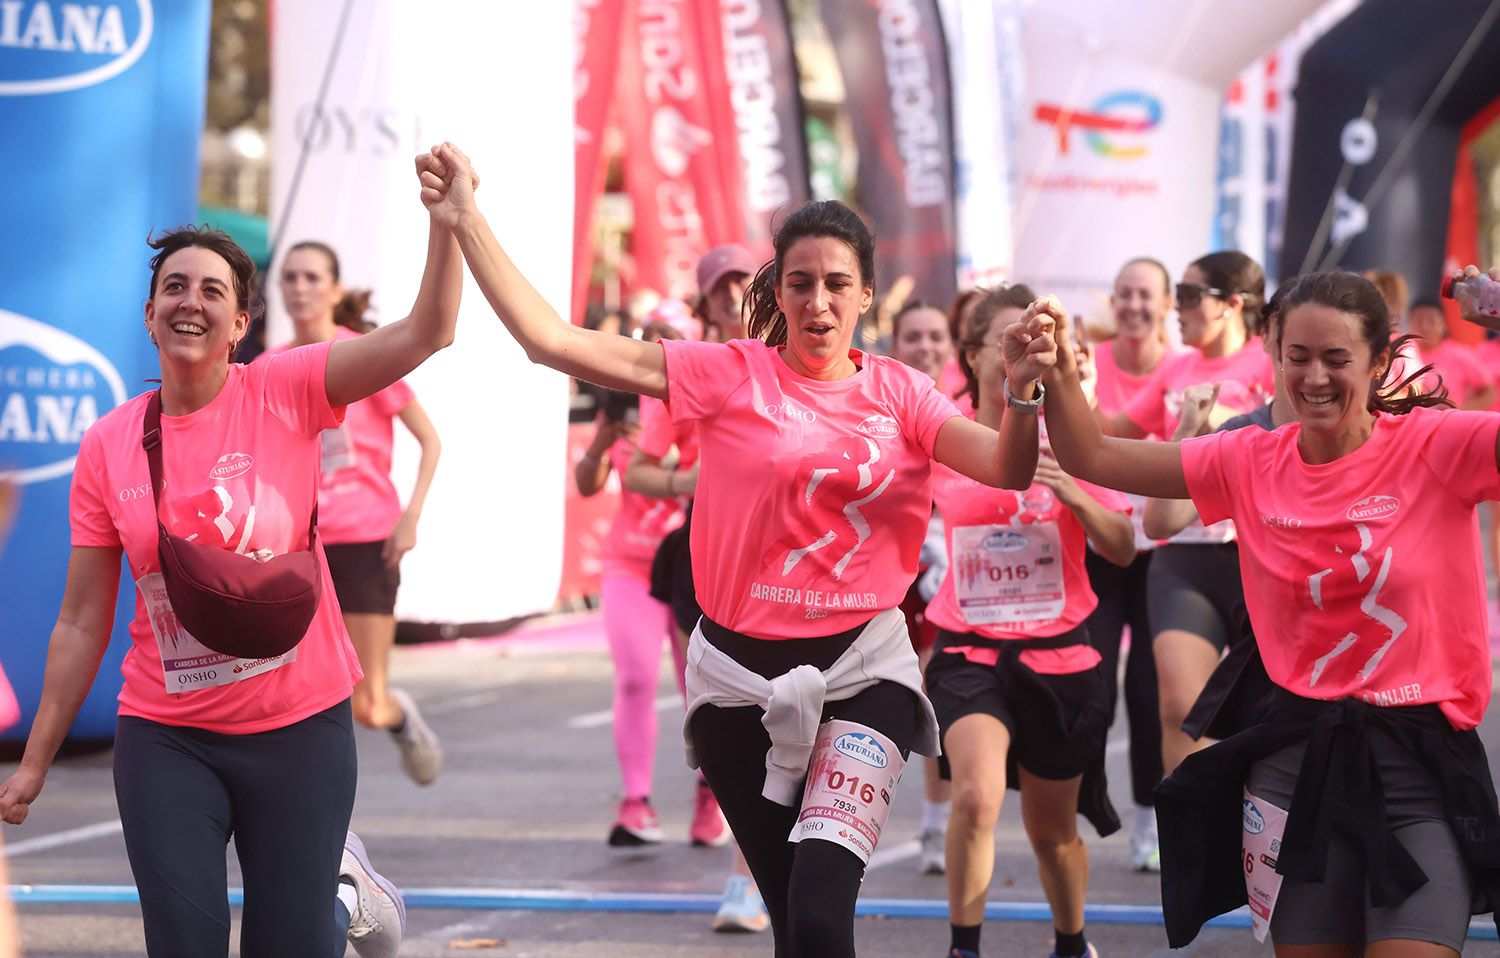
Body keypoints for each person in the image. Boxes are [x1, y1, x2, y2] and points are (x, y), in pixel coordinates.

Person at [441, 144, 1056, 956]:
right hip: (736, 680)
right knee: (789, 925)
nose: (819, 302)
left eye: (838, 284)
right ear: (778, 291)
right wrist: (465, 220)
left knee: (818, 918)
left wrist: (1020, 393)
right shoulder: (727, 375)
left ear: (866, 294)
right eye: (800, 283)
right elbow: (550, 341)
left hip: (861, 674)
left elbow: (1008, 468)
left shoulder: (902, 393)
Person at [0, 144, 467, 958]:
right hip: (168, 732)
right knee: (184, 942)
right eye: (173, 287)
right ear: (149, 315)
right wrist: (35, 760)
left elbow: (430, 331)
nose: (190, 301)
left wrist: (448, 224)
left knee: (290, 945)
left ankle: (341, 893)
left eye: (213, 290)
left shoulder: (287, 388)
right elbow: (80, 622)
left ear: (241, 324)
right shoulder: (108, 445)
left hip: (300, 723)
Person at [1039, 268, 1500, 956]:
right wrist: (1054, 371)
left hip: (1419, 769)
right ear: (1275, 358)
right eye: (1298, 357)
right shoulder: (1247, 459)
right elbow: (1093, 454)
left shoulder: (1440, 446)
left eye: (1337, 359)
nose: (1315, 377)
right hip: (1295, 767)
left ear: (1379, 363)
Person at [929, 284, 1135, 958]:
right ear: (975, 355)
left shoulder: (1068, 436)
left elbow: (1122, 546)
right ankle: (965, 947)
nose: (1022, 351)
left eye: (1031, 342)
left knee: (1052, 834)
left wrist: (1072, 489)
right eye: (1006, 341)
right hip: (970, 652)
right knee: (977, 799)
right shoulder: (943, 436)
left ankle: (1072, 942)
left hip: (1060, 659)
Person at [625, 245, 765, 931]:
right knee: (722, 717)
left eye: (746, 281)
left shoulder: (796, 364)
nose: (734, 294)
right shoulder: (687, 370)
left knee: (780, 719)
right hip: (703, 554)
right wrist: (694, 481)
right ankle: (740, 853)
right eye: (721, 287)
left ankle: (755, 872)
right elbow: (641, 471)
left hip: (783, 555)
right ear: (707, 300)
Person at [271, 244, 445, 786]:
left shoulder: (364, 354)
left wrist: (410, 516)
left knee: (367, 704)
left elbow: (429, 440)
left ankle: (398, 718)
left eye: (312, 277)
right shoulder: (266, 367)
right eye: (290, 276)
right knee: (299, 699)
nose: (300, 287)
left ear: (335, 290)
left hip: (368, 539)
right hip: (299, 549)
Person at [1098, 251, 1274, 780]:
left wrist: (1219, 419)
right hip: (1182, 559)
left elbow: (1296, 436)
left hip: (1256, 555)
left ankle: (1260, 836)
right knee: (1179, 712)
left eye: (1191, 295)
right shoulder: (1178, 368)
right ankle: (1188, 842)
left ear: (1232, 305)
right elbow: (1114, 433)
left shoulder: (1271, 362)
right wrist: (1071, 385)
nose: (1179, 307)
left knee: (1264, 714)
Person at [573, 306, 694, 847]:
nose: (658, 346)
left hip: (693, 562)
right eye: (650, 336)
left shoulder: (706, 403)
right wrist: (602, 443)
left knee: (706, 692)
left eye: (670, 337)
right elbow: (588, 484)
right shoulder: (623, 402)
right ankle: (636, 802)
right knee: (636, 677)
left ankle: (713, 798)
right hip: (629, 564)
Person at [1083, 257, 1180, 872]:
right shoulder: (1092, 361)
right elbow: (1081, 438)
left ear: (1167, 302)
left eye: (1146, 294)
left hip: (1163, 552)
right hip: (1100, 542)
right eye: (1125, 294)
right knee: (1090, 686)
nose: (1134, 306)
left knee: (1149, 692)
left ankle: (1150, 818)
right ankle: (1088, 801)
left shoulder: (1184, 370)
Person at [889, 298, 957, 875]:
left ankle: (935, 825)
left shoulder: (960, 410)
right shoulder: (877, 397)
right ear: (895, 342)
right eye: (914, 336)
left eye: (936, 335)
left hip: (940, 560)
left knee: (933, 688)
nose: (926, 346)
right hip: (883, 560)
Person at [1408, 298, 1495, 410]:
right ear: (1409, 324)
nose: (1425, 327)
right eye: (1419, 321)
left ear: (1443, 324)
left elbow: (1489, 393)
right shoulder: (1403, 357)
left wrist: (1459, 411)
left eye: (1431, 321)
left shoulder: (1460, 355)